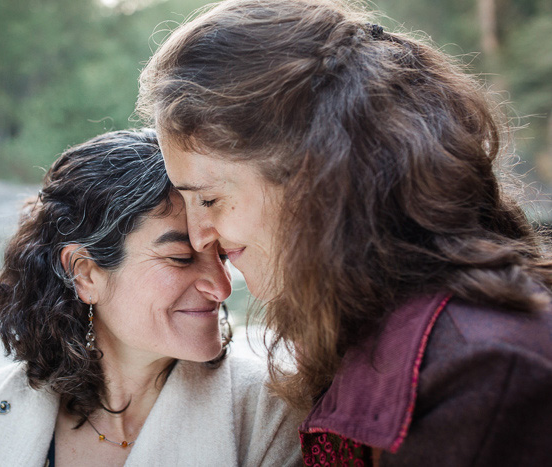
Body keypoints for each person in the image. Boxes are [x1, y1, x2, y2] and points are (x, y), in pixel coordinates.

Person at [138, 1, 552, 465]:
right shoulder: (354, 335)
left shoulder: (486, 369)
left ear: (315, 176)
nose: (198, 237)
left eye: (209, 199)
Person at [0, 129, 304, 466]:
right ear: (85, 272)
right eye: (180, 259)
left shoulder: (271, 411)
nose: (222, 288)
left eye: (222, 255)